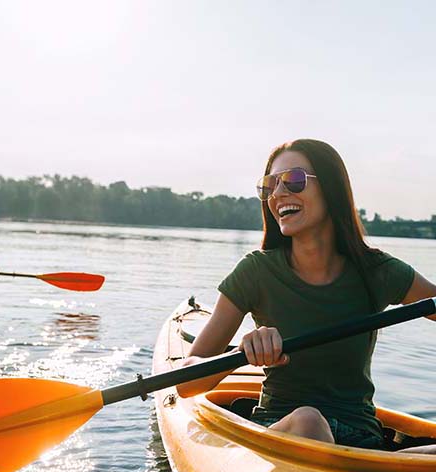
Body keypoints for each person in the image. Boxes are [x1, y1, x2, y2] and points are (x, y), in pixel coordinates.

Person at [177, 139, 436, 454]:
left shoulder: (377, 270)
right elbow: (186, 382)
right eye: (269, 186)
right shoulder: (255, 272)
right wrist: (241, 353)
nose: (278, 194)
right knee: (309, 421)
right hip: (284, 430)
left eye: (294, 180)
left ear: (331, 189)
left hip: (362, 441)